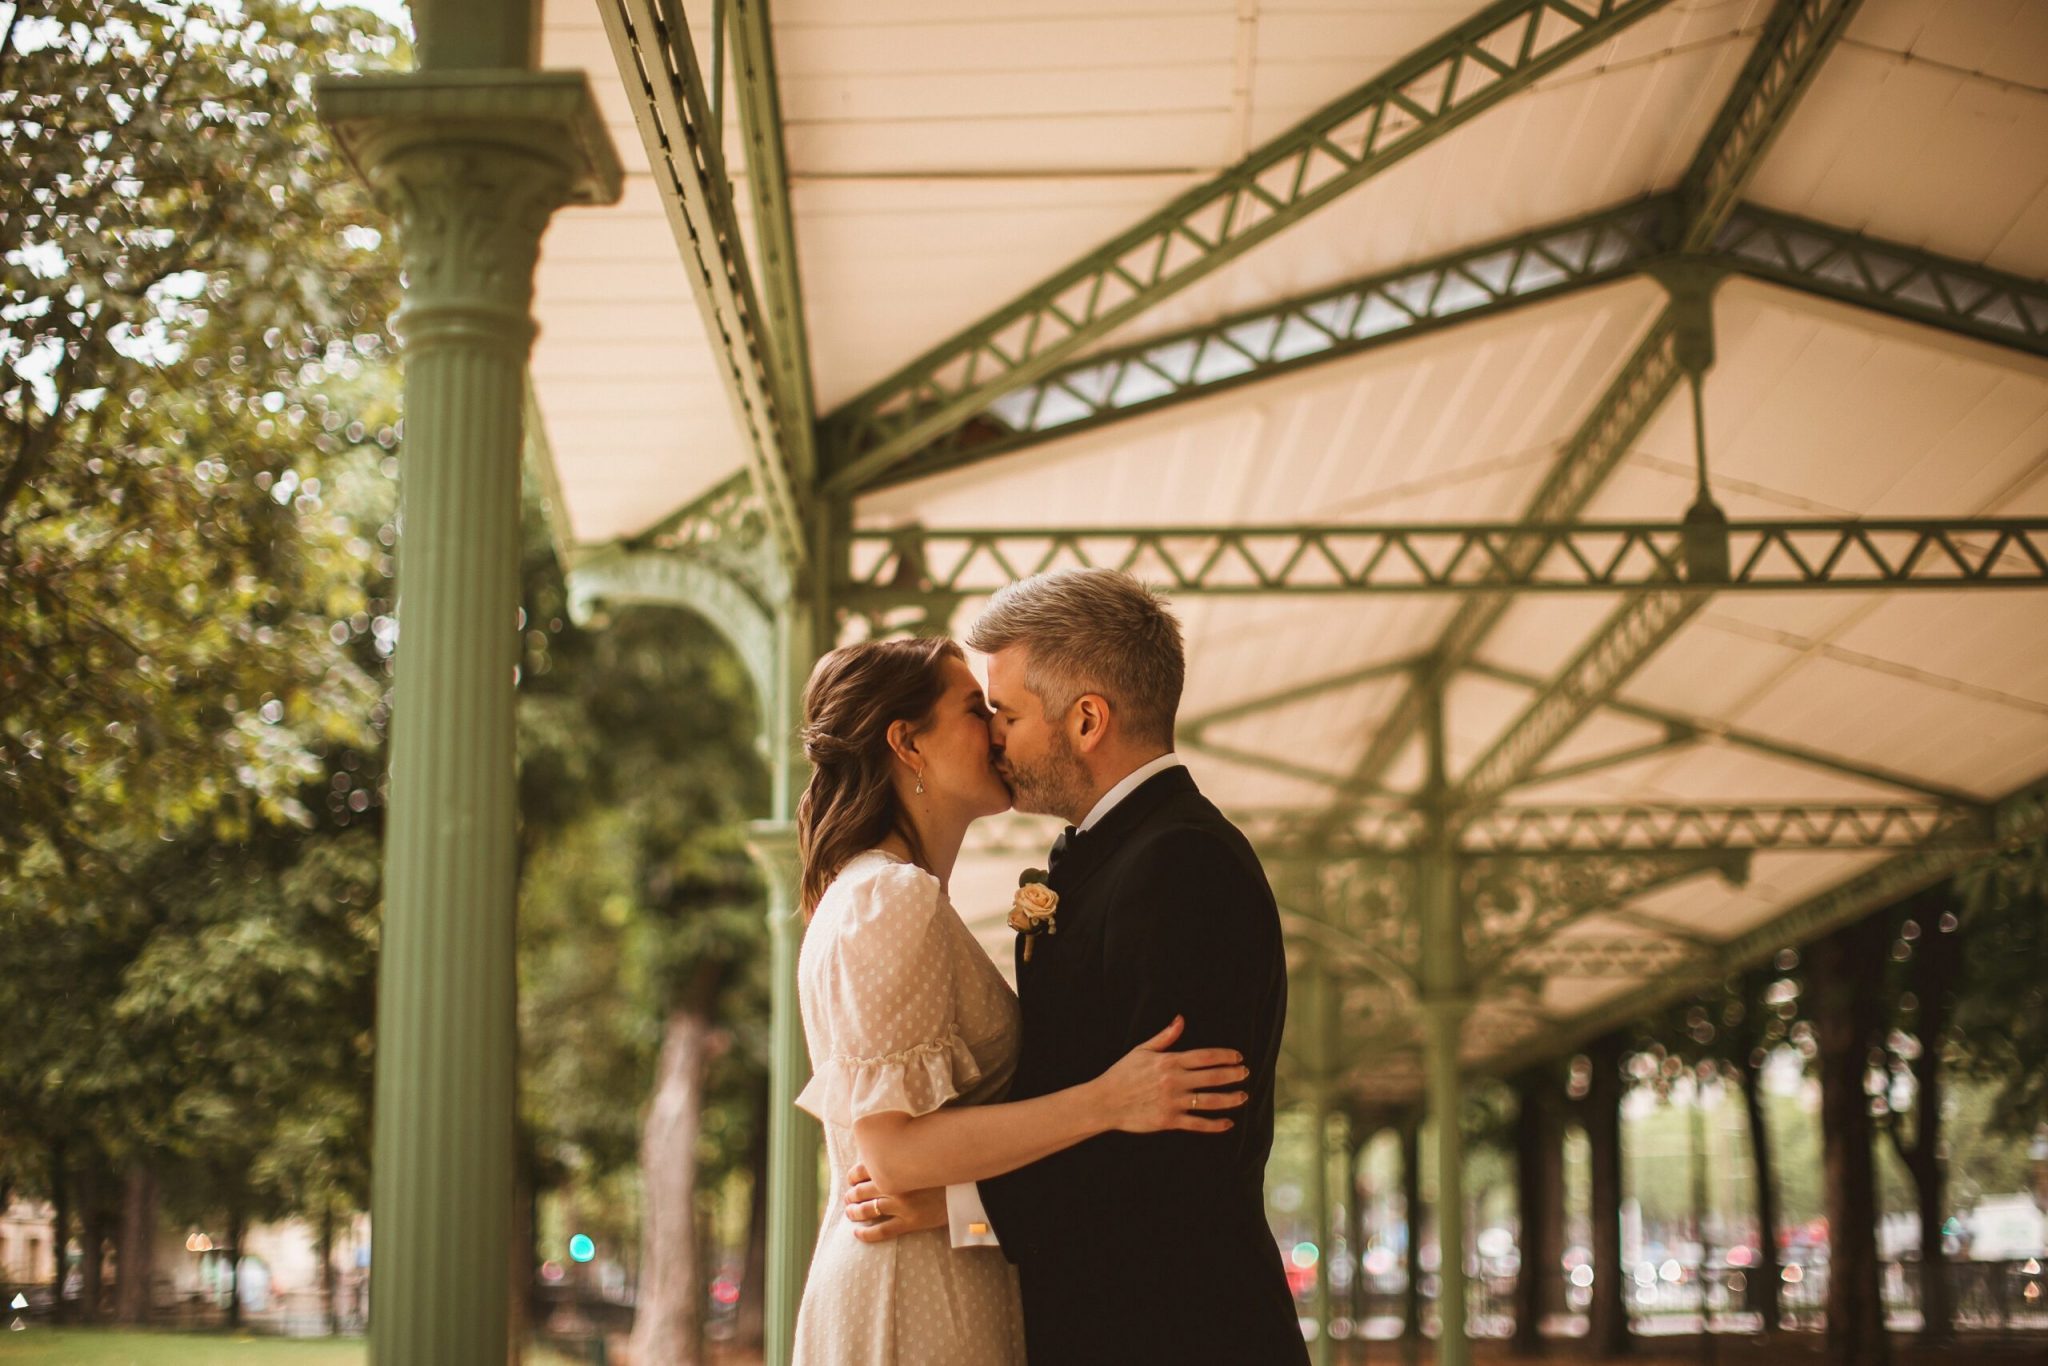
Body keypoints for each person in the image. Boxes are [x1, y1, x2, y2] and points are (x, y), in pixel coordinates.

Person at [844, 569, 1308, 1366]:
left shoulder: (1183, 866)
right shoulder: (1114, 856)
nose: (993, 736)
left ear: (1087, 719)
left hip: (1181, 1334)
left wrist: (956, 1206)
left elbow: (1168, 1169)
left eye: (1009, 713)